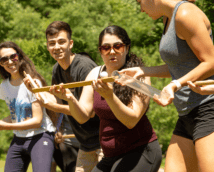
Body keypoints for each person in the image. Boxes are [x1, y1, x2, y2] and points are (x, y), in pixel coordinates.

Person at [50, 25, 162, 172]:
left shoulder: (140, 76)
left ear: (126, 48)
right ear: (100, 51)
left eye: (117, 46)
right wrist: (70, 99)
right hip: (111, 156)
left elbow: (131, 120)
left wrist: (110, 96)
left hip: (140, 150)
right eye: (106, 48)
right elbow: (82, 116)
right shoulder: (95, 73)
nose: (112, 52)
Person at [121, 1, 214, 171]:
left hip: (208, 109)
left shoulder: (185, 14)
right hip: (186, 114)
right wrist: (143, 71)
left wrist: (176, 84)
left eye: (139, 2)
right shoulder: (167, 19)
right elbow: (178, 65)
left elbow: (211, 61)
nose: (141, 9)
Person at [25, 21, 102, 172]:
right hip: (85, 142)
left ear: (70, 43)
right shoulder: (57, 69)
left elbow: (88, 112)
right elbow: (58, 99)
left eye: (61, 42)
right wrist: (37, 90)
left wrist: (51, 106)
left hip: (103, 140)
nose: (56, 47)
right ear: (47, 46)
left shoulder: (84, 67)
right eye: (52, 43)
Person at [0, 41, 56, 172]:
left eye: (13, 57)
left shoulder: (32, 82)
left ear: (19, 57)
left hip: (40, 135)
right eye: (4, 59)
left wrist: (6, 127)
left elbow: (37, 121)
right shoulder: (4, 86)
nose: (10, 62)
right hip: (19, 138)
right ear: (0, 63)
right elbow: (15, 116)